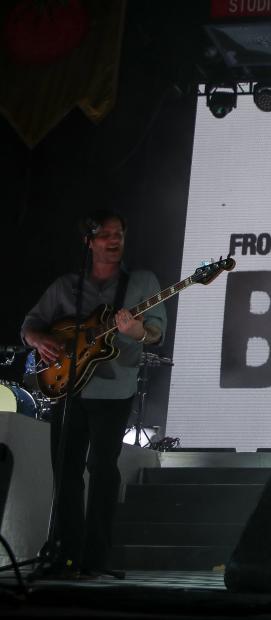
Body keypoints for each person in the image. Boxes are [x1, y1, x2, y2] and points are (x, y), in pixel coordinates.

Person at [22, 209, 166, 578]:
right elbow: (30, 326)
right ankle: (64, 554)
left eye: (119, 233)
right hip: (68, 389)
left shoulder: (143, 282)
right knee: (66, 472)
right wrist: (40, 341)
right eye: (105, 234)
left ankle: (96, 558)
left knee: (102, 470)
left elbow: (155, 333)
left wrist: (135, 331)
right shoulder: (66, 285)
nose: (114, 240)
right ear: (88, 241)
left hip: (113, 389)